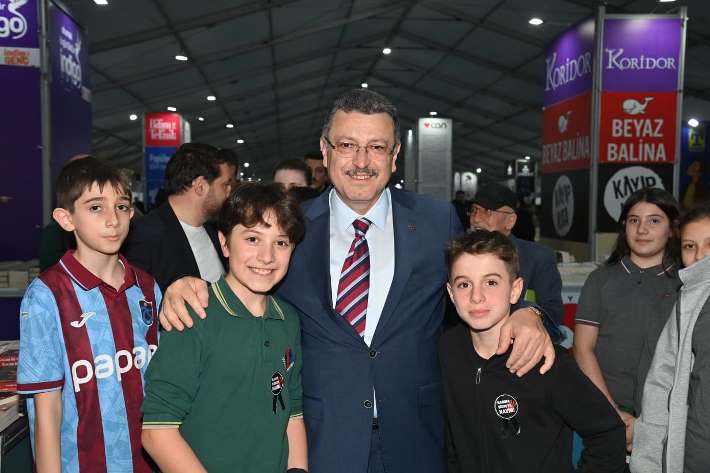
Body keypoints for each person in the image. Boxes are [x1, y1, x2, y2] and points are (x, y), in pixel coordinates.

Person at [158, 89, 554, 473]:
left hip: (416, 437)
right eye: (347, 145)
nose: (361, 161)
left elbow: (481, 287)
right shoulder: (291, 226)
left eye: (376, 147)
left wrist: (527, 312)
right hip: (322, 439)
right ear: (325, 150)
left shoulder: (436, 222)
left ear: (394, 156)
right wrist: (186, 286)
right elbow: (249, 279)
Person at [141, 183, 307, 473]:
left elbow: (291, 408)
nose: (267, 256)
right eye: (253, 239)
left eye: (281, 243)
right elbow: (157, 431)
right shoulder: (194, 314)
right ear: (225, 243)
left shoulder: (287, 319)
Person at [17, 157, 161, 472]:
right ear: (66, 219)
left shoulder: (147, 287)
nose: (113, 220)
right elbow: (47, 409)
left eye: (121, 207)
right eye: (96, 207)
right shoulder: (46, 296)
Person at [440, 230, 625, 473]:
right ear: (451, 293)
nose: (476, 296)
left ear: (515, 290)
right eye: (464, 284)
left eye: (491, 282)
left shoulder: (546, 362)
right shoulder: (448, 350)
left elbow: (607, 433)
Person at [573, 188, 681, 459]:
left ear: (671, 229)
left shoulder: (683, 284)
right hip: (603, 409)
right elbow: (583, 348)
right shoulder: (601, 280)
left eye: (654, 220)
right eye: (634, 220)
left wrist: (652, 421)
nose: (642, 229)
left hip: (666, 418)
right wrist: (613, 413)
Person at [631, 206, 710, 473]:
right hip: (692, 456)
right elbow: (661, 386)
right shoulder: (687, 303)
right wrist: (646, 464)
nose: (700, 256)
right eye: (689, 246)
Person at [122, 143, 237, 291]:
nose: (229, 192)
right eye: (225, 185)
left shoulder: (214, 232)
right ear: (200, 186)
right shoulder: (145, 236)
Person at [470, 182, 564, 341]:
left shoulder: (537, 258)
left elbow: (552, 311)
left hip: (521, 345)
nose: (476, 219)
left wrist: (530, 313)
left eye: (487, 211)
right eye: (474, 210)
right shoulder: (460, 257)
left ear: (510, 221)